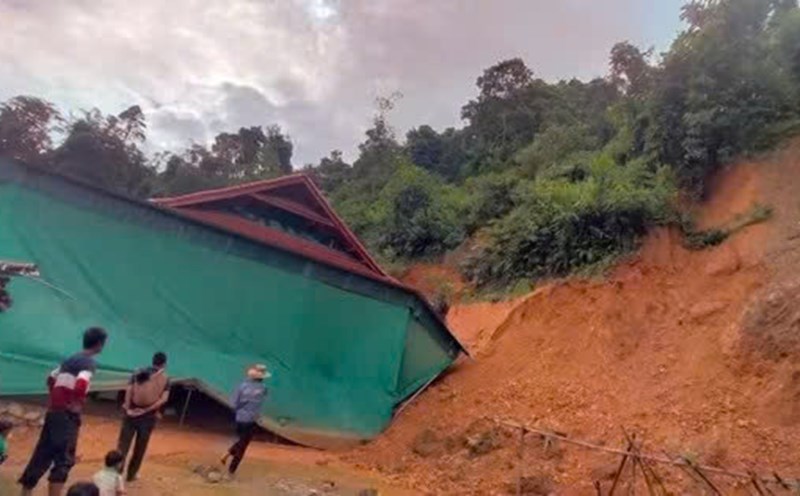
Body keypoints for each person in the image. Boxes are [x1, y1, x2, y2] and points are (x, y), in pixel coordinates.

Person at [19, 327, 108, 496]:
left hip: (54, 412)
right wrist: (73, 402)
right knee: (63, 460)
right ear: (99, 344)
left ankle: (25, 492)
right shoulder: (88, 362)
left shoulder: (69, 359)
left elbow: (51, 378)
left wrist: (57, 399)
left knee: (42, 453)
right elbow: (82, 383)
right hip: (67, 416)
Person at [117, 352, 169, 483]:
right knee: (140, 447)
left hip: (132, 412)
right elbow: (163, 399)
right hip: (148, 416)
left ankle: (116, 474)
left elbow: (129, 390)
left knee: (123, 445)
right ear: (164, 363)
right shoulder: (165, 378)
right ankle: (131, 475)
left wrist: (128, 408)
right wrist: (147, 410)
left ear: (152, 361)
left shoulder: (138, 372)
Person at [220, 364, 268, 476]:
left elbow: (234, 404)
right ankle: (231, 471)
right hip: (251, 420)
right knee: (243, 446)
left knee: (242, 441)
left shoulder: (242, 386)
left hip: (240, 418)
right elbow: (262, 396)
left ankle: (227, 455)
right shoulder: (263, 388)